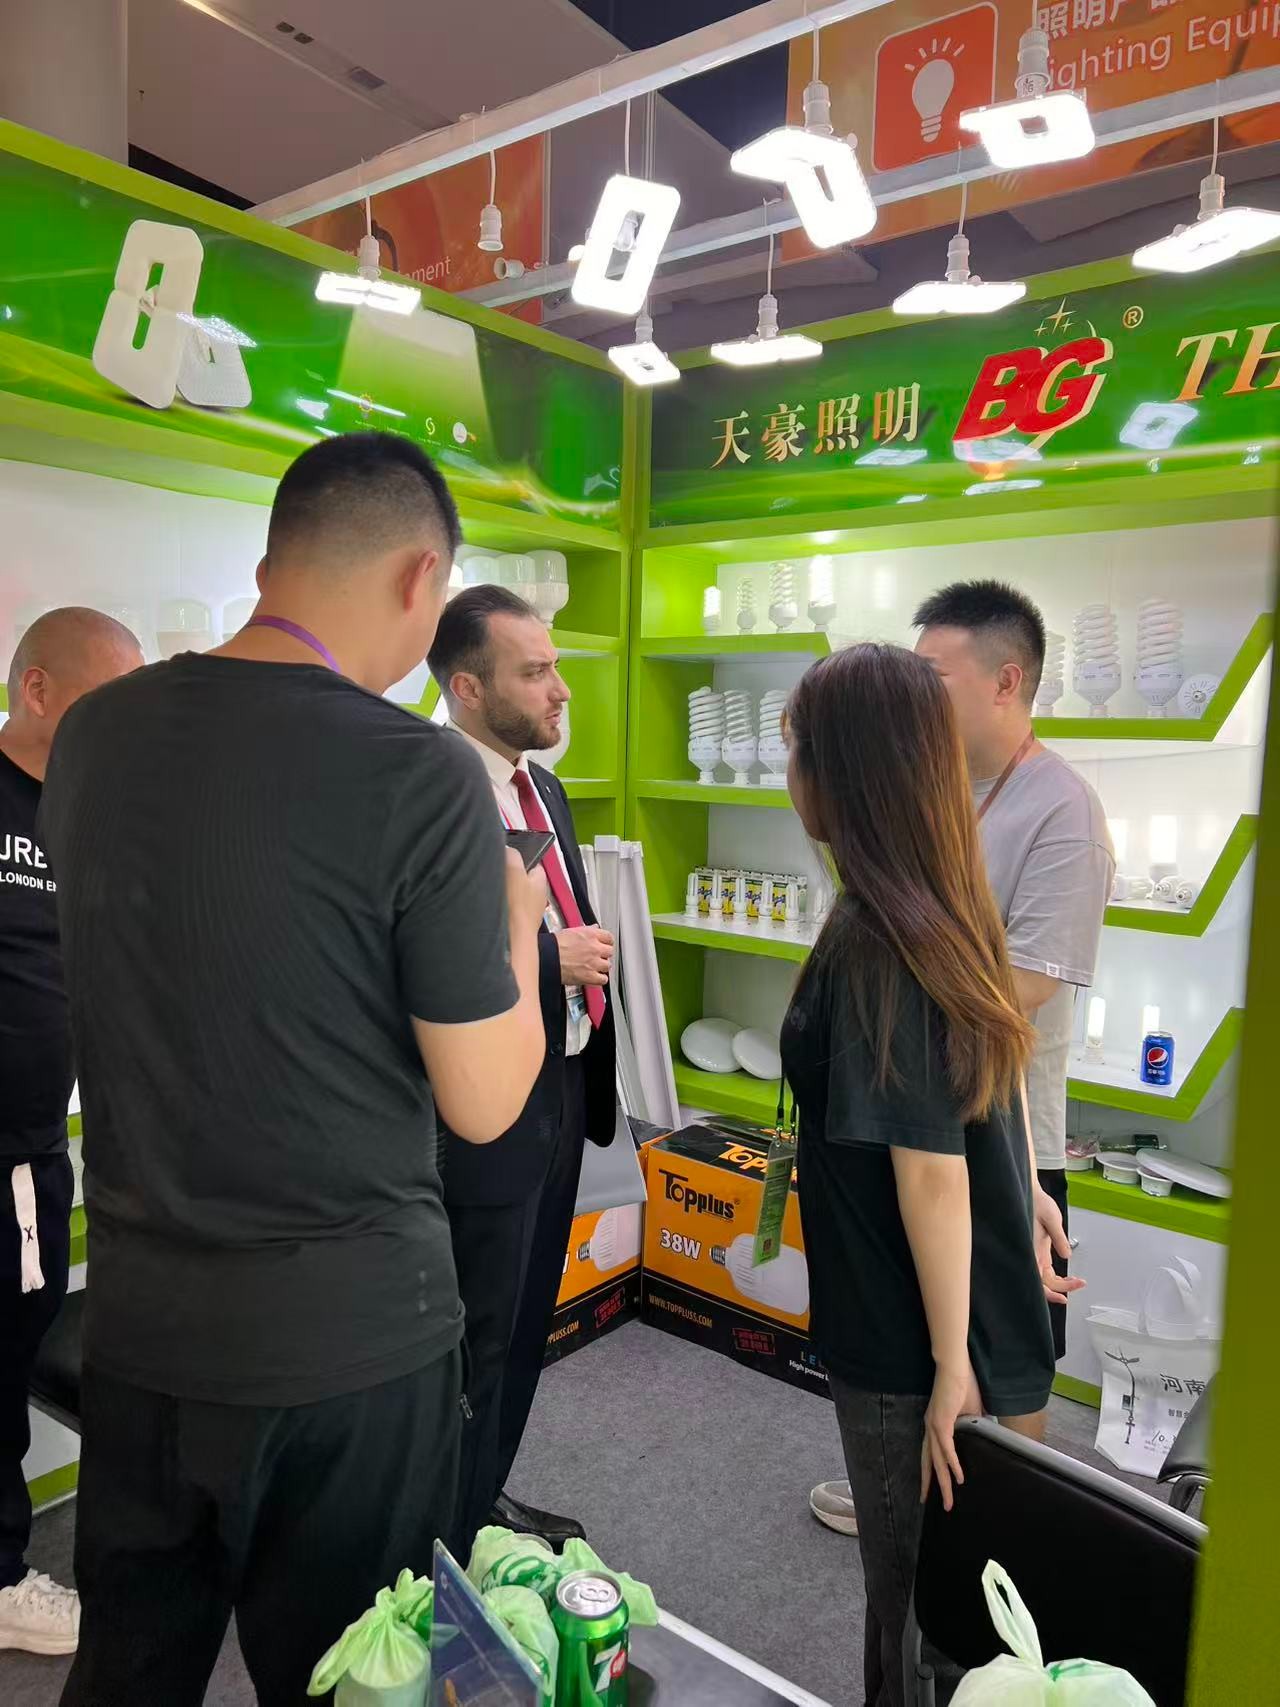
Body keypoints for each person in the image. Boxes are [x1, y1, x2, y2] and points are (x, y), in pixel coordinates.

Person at [39, 433, 548, 1707]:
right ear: (419, 578)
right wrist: (521, 934)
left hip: (143, 1327)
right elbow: (485, 1102)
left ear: (276, 561)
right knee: (350, 1681)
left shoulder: (92, 732)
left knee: (131, 1670)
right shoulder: (417, 770)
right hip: (348, 1349)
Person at [781, 643, 1055, 1707]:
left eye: (800, 751)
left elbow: (929, 1172)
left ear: (845, 773)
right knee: (949, 1586)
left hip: (904, 1334)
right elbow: (988, 1085)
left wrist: (946, 1367)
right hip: (951, 1305)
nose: (790, 774)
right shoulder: (943, 902)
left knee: (910, 1599)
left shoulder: (875, 941)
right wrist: (1024, 1195)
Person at [427, 585, 617, 1554]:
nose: (560, 689)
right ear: (467, 687)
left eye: (556, 666)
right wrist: (551, 959)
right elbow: (429, 955)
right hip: (485, 1101)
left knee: (526, 1315)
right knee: (477, 1330)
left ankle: (481, 1502)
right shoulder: (428, 793)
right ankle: (443, 1534)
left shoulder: (543, 788)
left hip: (563, 1085)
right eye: (535, 672)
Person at [915, 579, 1110, 1420]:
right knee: (925, 1335)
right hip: (919, 1104)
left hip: (1009, 1127)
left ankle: (1010, 1497)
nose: (916, 696)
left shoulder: (1064, 809)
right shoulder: (931, 786)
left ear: (1006, 680)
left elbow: (1025, 985)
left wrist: (896, 981)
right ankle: (910, 1479)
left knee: (1010, 1356)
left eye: (935, 677)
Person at [0, 609, 142, 1656]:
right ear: (38, 689)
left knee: (12, 1349)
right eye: (108, 700)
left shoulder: (94, 816)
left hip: (35, 1154)